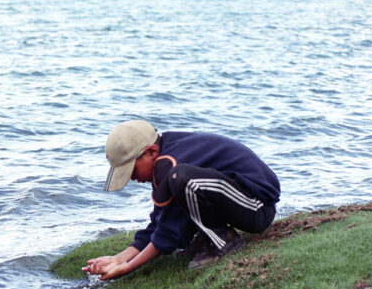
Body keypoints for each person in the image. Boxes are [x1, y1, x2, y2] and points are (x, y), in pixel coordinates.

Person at [83, 120, 280, 280]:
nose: (131, 177)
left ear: (151, 152)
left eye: (131, 169)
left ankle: (224, 242)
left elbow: (168, 234)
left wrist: (127, 268)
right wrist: (118, 259)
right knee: (181, 180)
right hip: (238, 200)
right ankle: (209, 237)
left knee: (182, 178)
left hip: (256, 207)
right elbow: (161, 222)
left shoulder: (171, 165)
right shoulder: (165, 157)